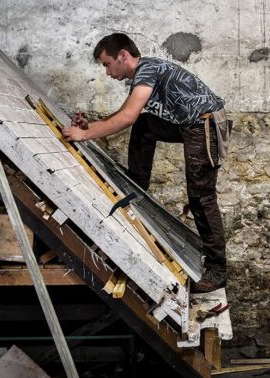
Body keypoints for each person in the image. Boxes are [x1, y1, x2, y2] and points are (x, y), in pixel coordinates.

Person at [62, 33, 228, 293]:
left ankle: (218, 271)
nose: (107, 72)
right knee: (145, 125)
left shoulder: (147, 70)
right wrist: (90, 126)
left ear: (123, 56)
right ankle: (137, 184)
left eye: (107, 64)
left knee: (201, 197)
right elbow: (128, 113)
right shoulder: (144, 73)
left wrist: (84, 135)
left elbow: (126, 117)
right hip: (188, 124)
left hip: (205, 125)